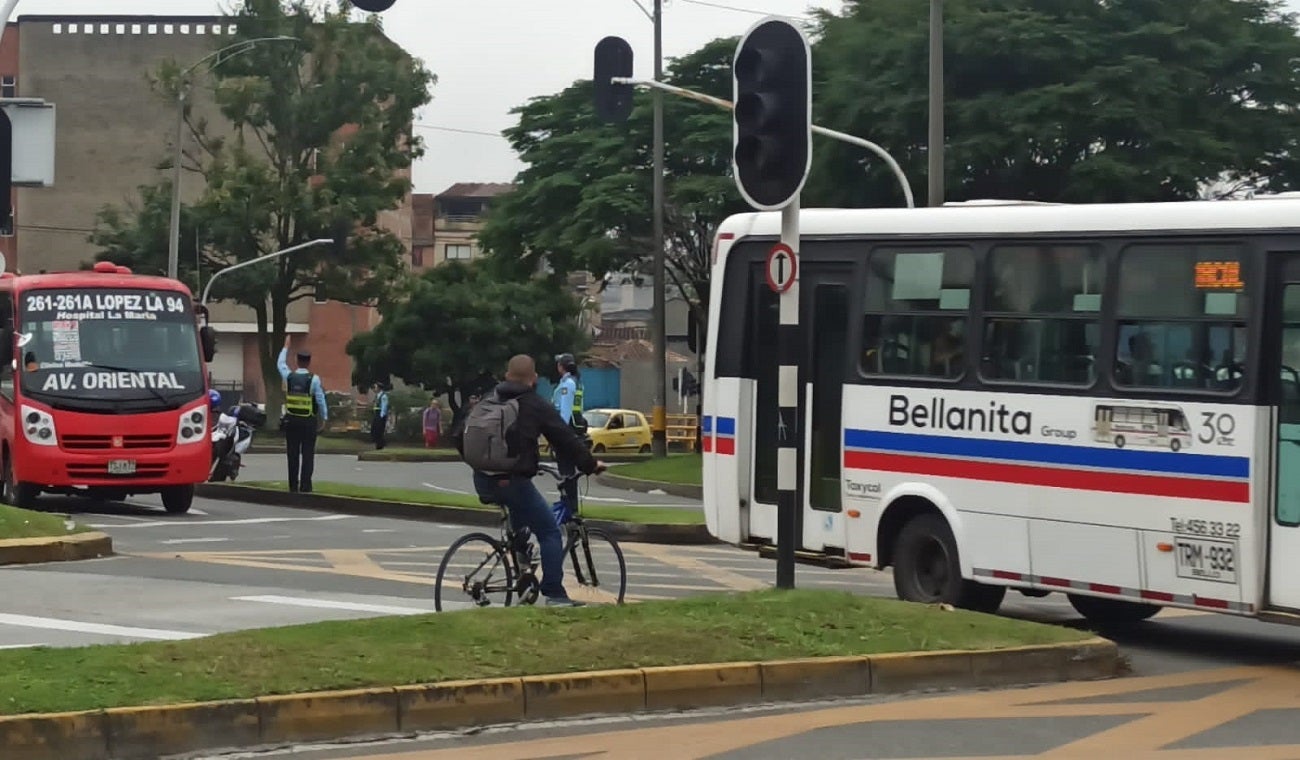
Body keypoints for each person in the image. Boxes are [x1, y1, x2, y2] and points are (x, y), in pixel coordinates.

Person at [457, 354, 607, 607]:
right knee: (549, 531)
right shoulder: (533, 404)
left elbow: (460, 434)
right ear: (534, 378)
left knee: (521, 518)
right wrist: (591, 465)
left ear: (507, 375)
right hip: (512, 481)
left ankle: (523, 571)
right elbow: (564, 437)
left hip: (482, 479)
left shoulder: (489, 399)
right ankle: (555, 594)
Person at [277, 336, 327, 493]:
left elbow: (280, 364)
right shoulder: (314, 379)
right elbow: (320, 400)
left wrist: (286, 347)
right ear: (309, 362)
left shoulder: (289, 376)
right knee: (307, 454)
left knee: (292, 454)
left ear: (297, 361)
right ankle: (306, 486)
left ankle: (293, 485)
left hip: (291, 421)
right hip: (308, 421)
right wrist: (324, 418)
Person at [551, 352, 586, 513]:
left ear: (561, 367)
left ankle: (570, 510)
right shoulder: (577, 382)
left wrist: (558, 436)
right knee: (568, 474)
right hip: (573, 431)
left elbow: (564, 412)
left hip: (567, 432)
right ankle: (570, 509)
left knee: (566, 473)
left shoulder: (567, 384)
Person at [370, 382, 390, 450]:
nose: (374, 389)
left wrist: (381, 416)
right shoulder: (377, 395)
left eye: (375, 387)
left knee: (379, 430)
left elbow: (384, 406)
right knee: (374, 430)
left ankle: (381, 445)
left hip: (380, 414)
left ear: (379, 388)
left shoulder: (383, 396)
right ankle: (378, 444)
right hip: (376, 413)